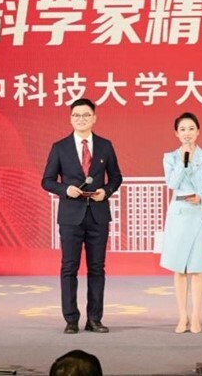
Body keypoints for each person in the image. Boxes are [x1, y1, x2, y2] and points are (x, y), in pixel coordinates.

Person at [42, 98, 123, 334]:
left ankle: (94, 319)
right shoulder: (60, 147)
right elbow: (47, 180)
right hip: (70, 216)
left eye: (86, 115)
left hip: (98, 215)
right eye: (77, 115)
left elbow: (116, 177)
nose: (81, 119)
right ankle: (71, 319)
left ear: (94, 118)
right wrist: (65, 189)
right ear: (71, 118)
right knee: (69, 267)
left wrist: (106, 191)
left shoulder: (105, 146)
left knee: (97, 268)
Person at [160, 112, 202, 334]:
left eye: (191, 129)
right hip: (178, 216)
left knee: (197, 268)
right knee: (179, 269)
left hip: (197, 214)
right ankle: (182, 315)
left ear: (198, 132)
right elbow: (172, 183)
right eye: (183, 129)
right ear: (176, 133)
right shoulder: (170, 157)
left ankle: (195, 317)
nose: (187, 133)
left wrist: (201, 197)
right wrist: (183, 161)